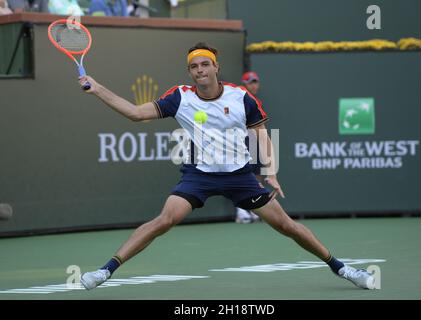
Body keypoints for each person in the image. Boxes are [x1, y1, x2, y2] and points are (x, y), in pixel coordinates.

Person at [78, 42, 376, 290]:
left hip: (239, 176)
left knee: (287, 226)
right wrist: (98, 89)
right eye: (194, 67)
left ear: (216, 67)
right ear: (190, 72)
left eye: (205, 64)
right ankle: (105, 271)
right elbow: (135, 113)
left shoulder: (241, 98)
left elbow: (261, 135)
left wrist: (270, 171)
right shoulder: (179, 98)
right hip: (199, 176)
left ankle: (342, 269)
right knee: (164, 220)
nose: (200, 71)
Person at [235, 71, 263, 223]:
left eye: (255, 81)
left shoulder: (255, 100)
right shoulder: (239, 96)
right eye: (251, 82)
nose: (254, 85)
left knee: (257, 173)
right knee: (242, 175)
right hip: (239, 140)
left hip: (253, 138)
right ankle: (241, 211)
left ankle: (254, 209)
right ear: (245, 83)